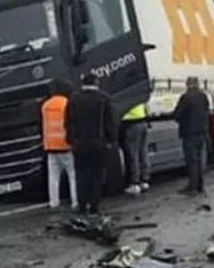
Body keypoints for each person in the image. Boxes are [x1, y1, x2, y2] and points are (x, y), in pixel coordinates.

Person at [65, 73, 117, 215]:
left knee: (81, 175)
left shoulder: (73, 99)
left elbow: (69, 123)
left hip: (79, 144)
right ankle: (94, 206)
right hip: (98, 144)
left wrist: (71, 140)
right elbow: (110, 123)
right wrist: (111, 140)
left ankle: (82, 206)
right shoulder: (104, 98)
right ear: (96, 82)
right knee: (97, 175)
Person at [41, 80, 77, 210]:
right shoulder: (67, 104)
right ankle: (75, 202)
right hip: (65, 145)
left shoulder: (45, 106)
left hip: (50, 146)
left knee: (53, 177)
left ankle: (54, 202)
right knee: (72, 175)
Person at [173, 76, 211, 194]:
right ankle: (200, 185)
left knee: (192, 160)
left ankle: (192, 187)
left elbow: (177, 114)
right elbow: (207, 110)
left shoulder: (186, 97)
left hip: (189, 133)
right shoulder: (203, 96)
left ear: (188, 84)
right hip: (202, 132)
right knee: (199, 160)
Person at [121, 102, 150, 195]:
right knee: (143, 152)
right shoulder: (140, 97)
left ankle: (135, 183)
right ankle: (145, 180)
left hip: (132, 125)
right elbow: (147, 109)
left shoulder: (128, 99)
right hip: (143, 123)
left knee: (133, 154)